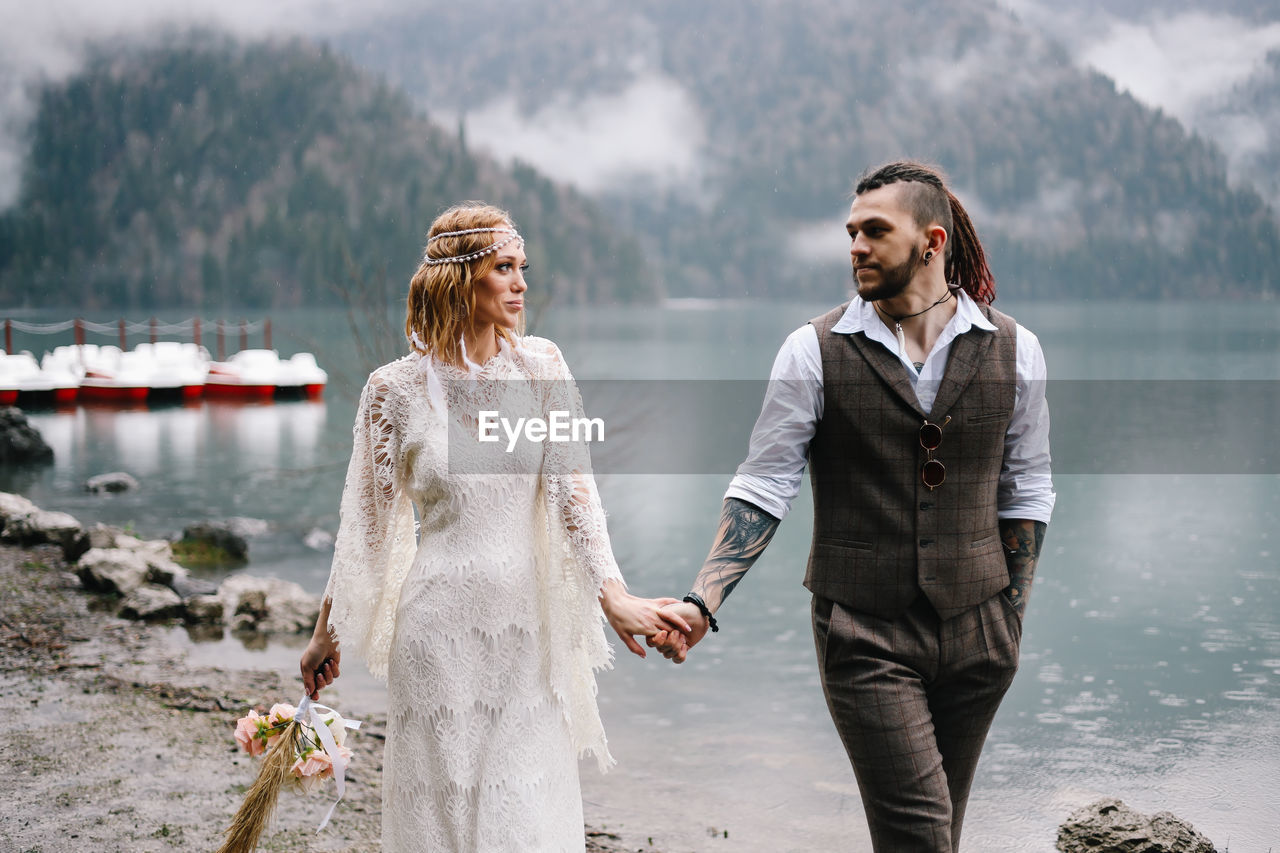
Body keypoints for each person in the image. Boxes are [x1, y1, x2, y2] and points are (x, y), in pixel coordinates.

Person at [652, 161, 1055, 852]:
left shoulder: (1016, 349)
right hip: (864, 633)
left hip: (980, 636)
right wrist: (702, 600)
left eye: (875, 231)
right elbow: (764, 482)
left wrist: (1009, 620)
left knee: (936, 835)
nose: (855, 247)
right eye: (851, 232)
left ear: (931, 241)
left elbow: (1026, 487)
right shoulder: (812, 350)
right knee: (920, 838)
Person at [300, 201, 688, 852]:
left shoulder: (540, 368)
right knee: (442, 824)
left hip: (525, 639)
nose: (521, 283)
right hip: (435, 641)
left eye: (522, 268)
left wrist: (613, 593)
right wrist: (324, 634)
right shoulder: (392, 390)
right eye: (503, 268)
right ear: (460, 280)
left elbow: (575, 495)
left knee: (524, 822)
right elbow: (364, 531)